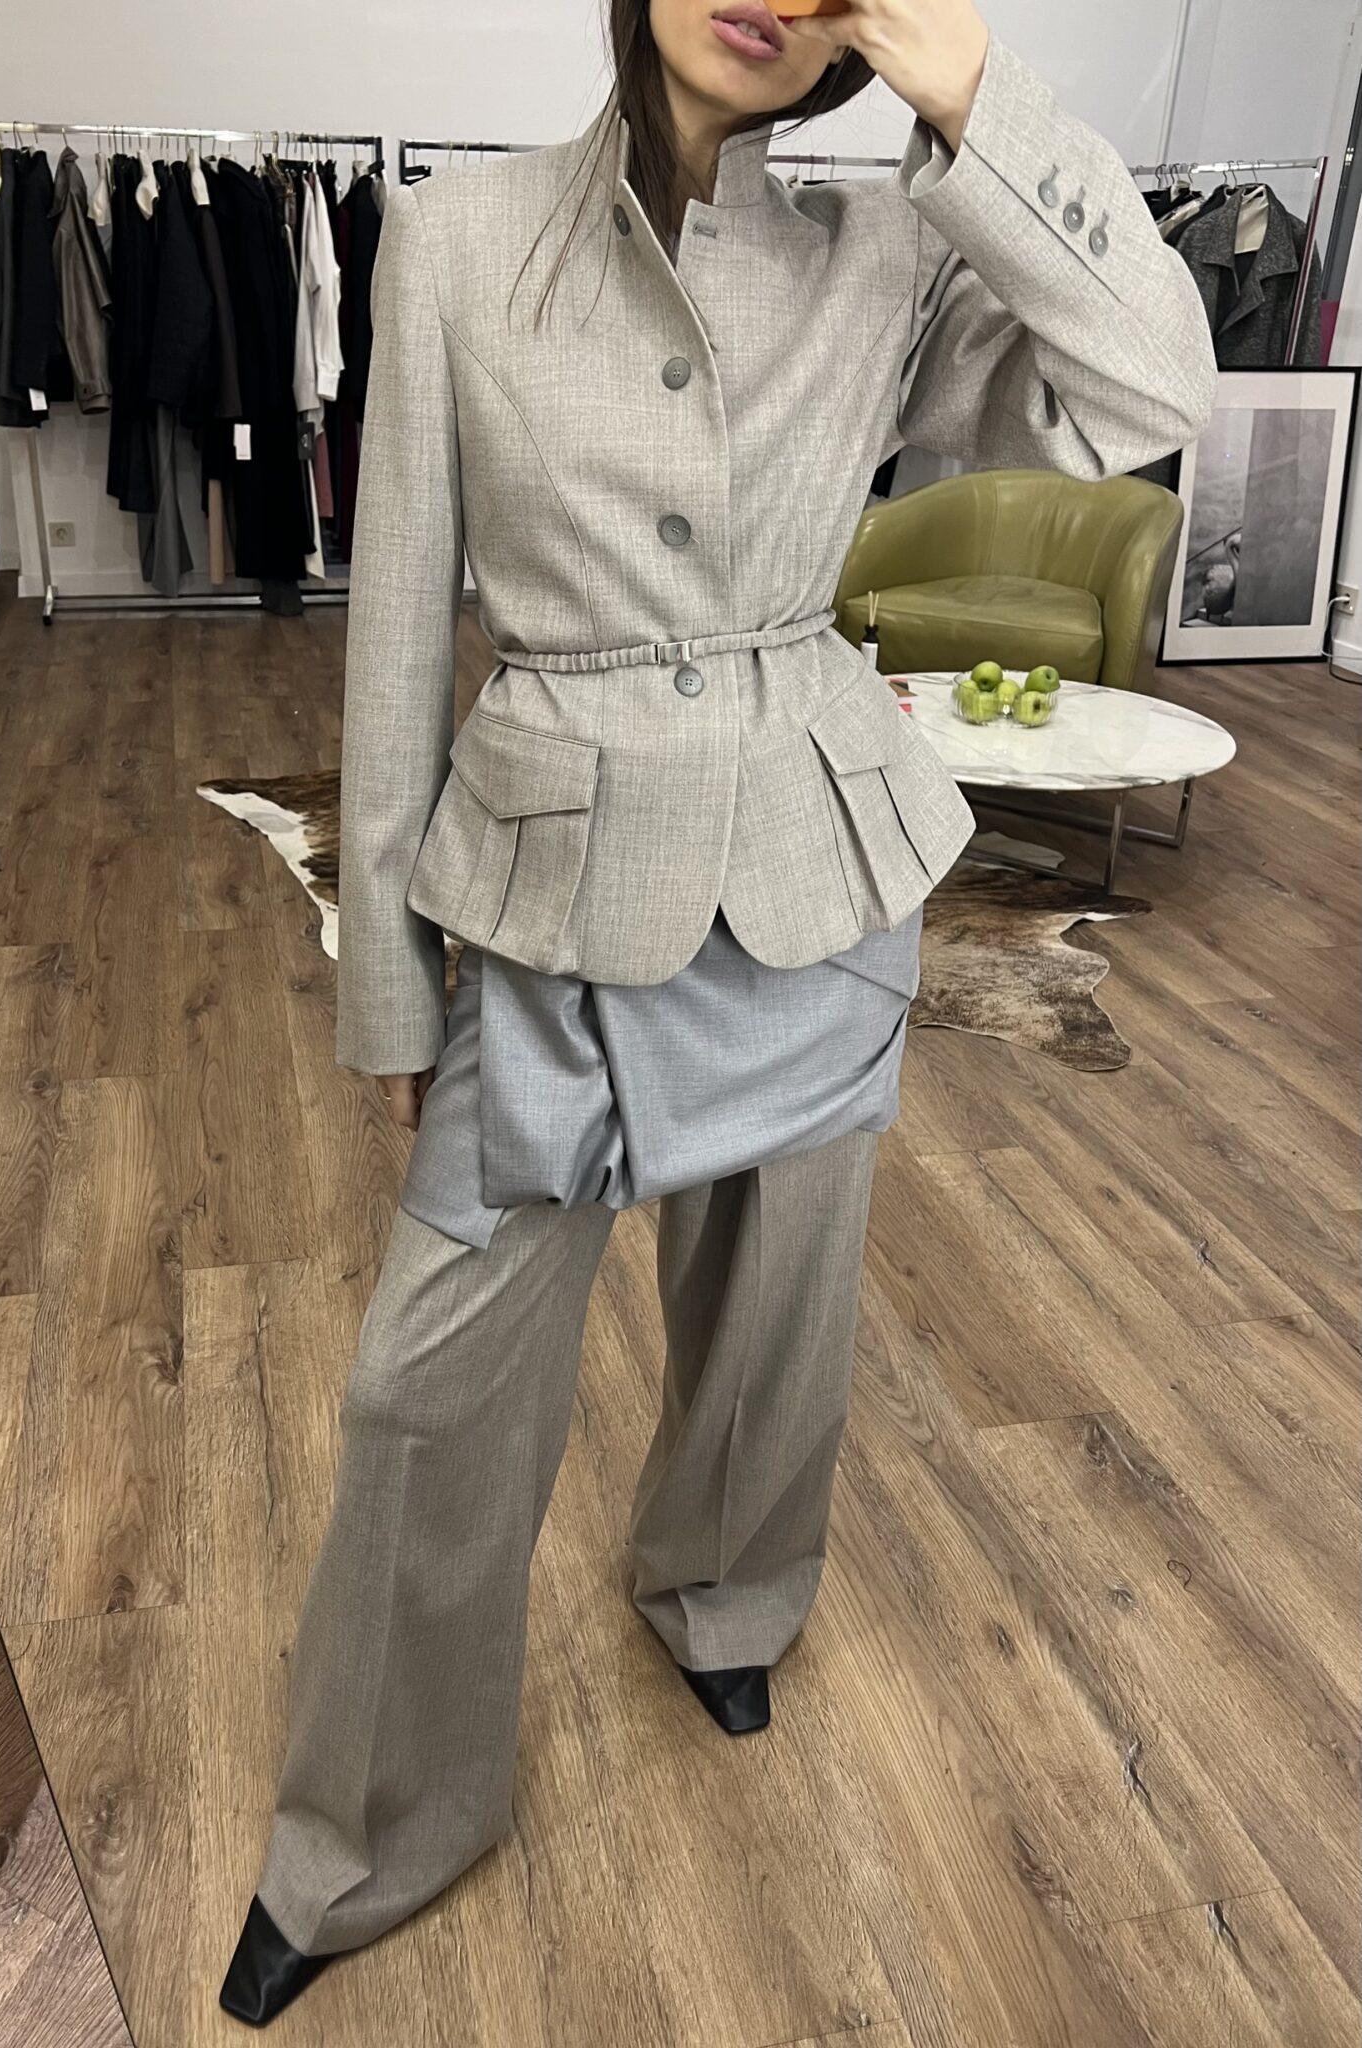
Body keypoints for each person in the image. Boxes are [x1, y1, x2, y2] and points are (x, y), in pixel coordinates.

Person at [221, 0, 1216, 2025]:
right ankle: (370, 1830)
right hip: (552, 895)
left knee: (777, 1314)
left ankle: (727, 1598)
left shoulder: (896, 244)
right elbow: (399, 629)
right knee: (425, 1390)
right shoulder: (459, 237)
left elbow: (1149, 385)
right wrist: (388, 984)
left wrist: (971, 93)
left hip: (818, 867)